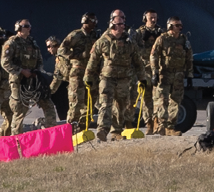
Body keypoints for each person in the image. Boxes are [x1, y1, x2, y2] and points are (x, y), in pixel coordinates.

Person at [86, 13, 147, 141]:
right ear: (112, 24)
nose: (122, 26)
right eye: (119, 24)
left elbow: (138, 62)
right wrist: (88, 77)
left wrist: (142, 78)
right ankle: (102, 130)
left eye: (123, 24)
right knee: (105, 104)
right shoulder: (103, 41)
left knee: (121, 106)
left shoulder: (129, 42)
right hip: (107, 78)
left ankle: (116, 132)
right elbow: (93, 60)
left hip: (124, 79)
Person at [147, 19, 194, 135]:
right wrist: (155, 72)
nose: (180, 28)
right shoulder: (162, 39)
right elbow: (153, 56)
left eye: (180, 25)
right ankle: (161, 125)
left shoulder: (183, 40)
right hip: (165, 74)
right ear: (170, 26)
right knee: (162, 100)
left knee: (176, 101)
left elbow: (189, 57)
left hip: (178, 75)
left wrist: (189, 75)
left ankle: (170, 127)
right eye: (177, 25)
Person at [0, 20, 40, 136]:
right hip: (17, 80)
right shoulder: (12, 43)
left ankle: (12, 136)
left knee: (24, 108)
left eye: (29, 26)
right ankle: (16, 138)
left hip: (30, 80)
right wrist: (21, 71)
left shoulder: (32, 42)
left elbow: (39, 59)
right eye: (26, 26)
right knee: (18, 109)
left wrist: (37, 72)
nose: (28, 28)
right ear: (19, 28)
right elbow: (5, 62)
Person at [60, 14, 98, 128]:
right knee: (76, 103)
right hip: (78, 72)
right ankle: (70, 130)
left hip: (91, 74)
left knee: (90, 104)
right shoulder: (76, 35)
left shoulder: (95, 36)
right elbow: (62, 49)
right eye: (91, 21)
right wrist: (78, 55)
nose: (94, 23)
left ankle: (82, 129)